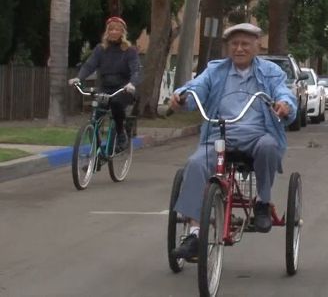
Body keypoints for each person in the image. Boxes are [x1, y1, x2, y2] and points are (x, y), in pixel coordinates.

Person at [168, 22, 297, 261]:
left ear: (257, 46)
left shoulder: (271, 72)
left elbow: (283, 92)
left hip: (257, 135)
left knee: (269, 147)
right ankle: (195, 234)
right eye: (235, 44)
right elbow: (196, 87)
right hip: (219, 135)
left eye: (245, 44)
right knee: (196, 164)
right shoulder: (215, 70)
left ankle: (262, 203)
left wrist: (284, 105)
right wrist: (182, 96)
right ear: (228, 47)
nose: (239, 48)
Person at [68, 16, 141, 152]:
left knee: (116, 103)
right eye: (111, 29)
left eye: (117, 29)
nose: (113, 32)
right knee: (96, 115)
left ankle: (121, 134)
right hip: (105, 87)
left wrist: (131, 84)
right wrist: (79, 78)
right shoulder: (100, 49)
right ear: (107, 32)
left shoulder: (129, 51)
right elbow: (89, 65)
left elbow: (135, 70)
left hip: (123, 89)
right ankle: (97, 151)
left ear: (122, 32)